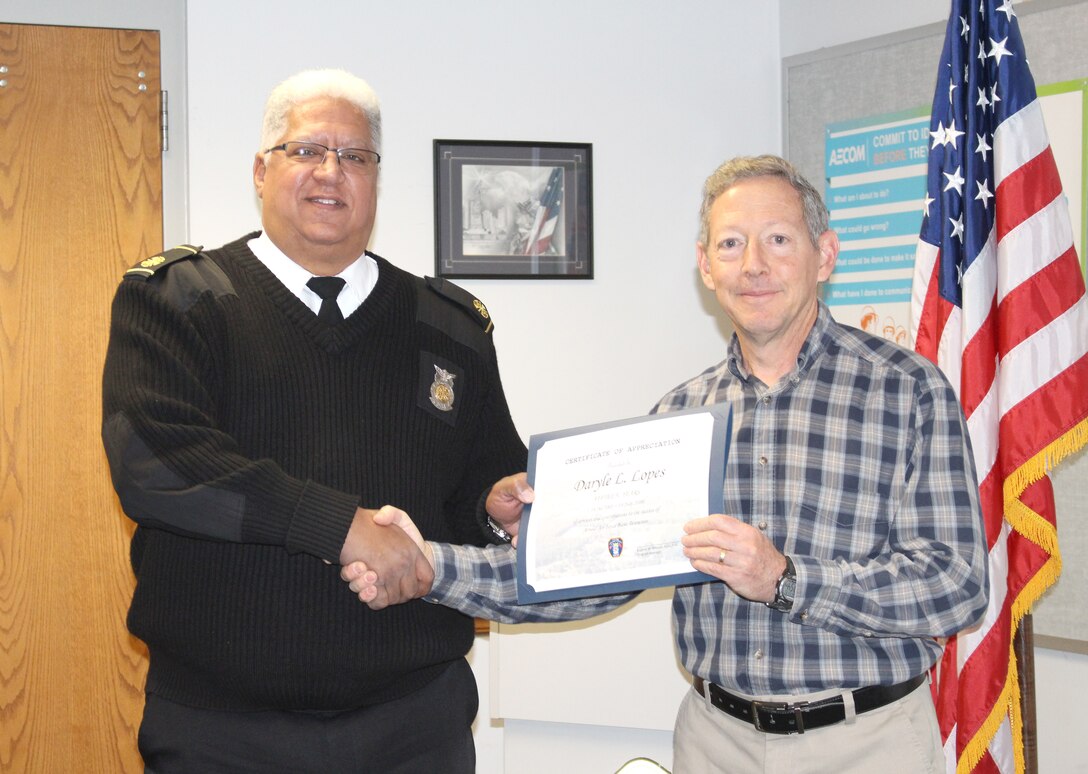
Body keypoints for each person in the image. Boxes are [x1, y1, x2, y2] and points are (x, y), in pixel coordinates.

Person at [344, 155, 989, 773]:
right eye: (731, 245)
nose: (754, 266)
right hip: (717, 745)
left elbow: (956, 584)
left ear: (825, 256)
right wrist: (428, 563)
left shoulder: (908, 390)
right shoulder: (680, 417)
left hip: (867, 746)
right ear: (706, 268)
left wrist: (787, 579)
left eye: (779, 241)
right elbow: (584, 574)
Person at [101, 68, 527, 773]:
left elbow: (481, 486)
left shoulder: (449, 325)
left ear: (375, 180)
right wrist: (341, 526)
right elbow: (158, 464)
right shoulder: (176, 301)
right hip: (222, 730)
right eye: (306, 151)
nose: (332, 171)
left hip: (414, 723)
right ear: (262, 170)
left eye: (355, 156)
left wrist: (493, 507)